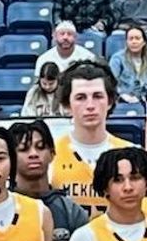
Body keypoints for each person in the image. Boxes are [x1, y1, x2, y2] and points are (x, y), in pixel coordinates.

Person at [50, 61, 135, 212]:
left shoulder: (133, 153)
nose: (90, 105)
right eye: (81, 97)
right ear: (67, 105)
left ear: (109, 102)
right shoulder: (51, 156)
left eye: (97, 96)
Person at [110, 25, 147, 107]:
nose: (134, 42)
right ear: (126, 42)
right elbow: (111, 83)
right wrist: (123, 96)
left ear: (144, 42)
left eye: (137, 38)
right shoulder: (117, 58)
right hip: (122, 101)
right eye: (130, 39)